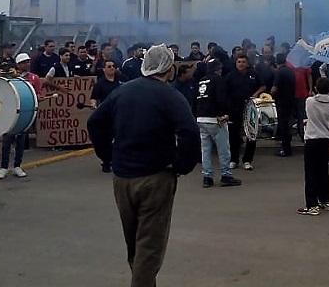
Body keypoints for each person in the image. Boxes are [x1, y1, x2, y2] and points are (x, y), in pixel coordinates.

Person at [86, 44, 199, 287]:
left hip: (123, 178)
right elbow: (189, 130)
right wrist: (183, 164)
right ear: (168, 69)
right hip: (155, 177)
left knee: (134, 241)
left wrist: (107, 156)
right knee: (149, 246)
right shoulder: (170, 95)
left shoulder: (122, 91)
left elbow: (95, 121)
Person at [196, 59, 242, 188]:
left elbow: (197, 99)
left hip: (201, 118)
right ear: (218, 69)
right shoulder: (218, 80)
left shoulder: (201, 80)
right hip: (215, 119)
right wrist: (224, 114)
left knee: (205, 150)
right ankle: (226, 175)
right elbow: (221, 98)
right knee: (223, 150)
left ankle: (207, 177)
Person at [297, 78, 329, 216]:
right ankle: (324, 199)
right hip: (325, 139)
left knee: (310, 173)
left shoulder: (310, 102)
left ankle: (312, 204)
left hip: (312, 139)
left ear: (315, 88)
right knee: (323, 171)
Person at [0, 53, 39, 180]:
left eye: (28, 61)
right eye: (25, 62)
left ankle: (17, 166)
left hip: (24, 113)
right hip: (9, 114)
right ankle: (3, 167)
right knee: (6, 142)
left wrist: (37, 98)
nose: (27, 64)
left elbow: (37, 94)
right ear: (19, 64)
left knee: (21, 141)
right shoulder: (9, 76)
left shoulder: (34, 78)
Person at [224, 56, 266, 170]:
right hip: (234, 109)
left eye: (243, 62)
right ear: (236, 63)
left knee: (251, 135)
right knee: (233, 135)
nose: (241, 64)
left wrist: (256, 94)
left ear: (247, 64)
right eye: (239, 62)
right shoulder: (230, 76)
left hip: (250, 109)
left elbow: (263, 86)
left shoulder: (254, 74)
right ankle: (234, 160)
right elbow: (224, 92)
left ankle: (247, 160)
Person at [272, 53, 297, 157]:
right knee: (287, 125)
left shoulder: (280, 72)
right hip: (290, 101)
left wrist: (269, 95)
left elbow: (274, 88)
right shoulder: (290, 71)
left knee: (283, 126)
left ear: (276, 62)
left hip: (282, 102)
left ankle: (286, 149)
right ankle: (286, 146)